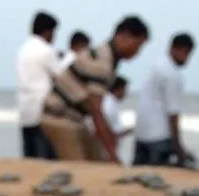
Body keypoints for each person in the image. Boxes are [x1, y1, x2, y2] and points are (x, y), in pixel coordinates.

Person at [39, 16, 149, 164]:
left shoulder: (106, 56)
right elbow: (96, 109)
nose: (137, 52)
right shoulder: (102, 64)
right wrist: (112, 153)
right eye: (138, 45)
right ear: (124, 36)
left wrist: (110, 141)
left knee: (98, 160)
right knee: (82, 168)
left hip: (74, 118)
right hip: (59, 118)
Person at [132, 32, 196, 168]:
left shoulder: (156, 67)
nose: (187, 60)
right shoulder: (172, 74)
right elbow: (173, 113)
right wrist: (178, 147)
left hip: (141, 134)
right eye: (187, 54)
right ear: (177, 50)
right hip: (159, 137)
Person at [15, 11, 60, 160]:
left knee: (30, 153)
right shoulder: (46, 50)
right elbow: (59, 76)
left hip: (25, 106)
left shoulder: (23, 50)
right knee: (45, 154)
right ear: (48, 31)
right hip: (43, 106)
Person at [86, 76, 131, 142]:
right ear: (119, 89)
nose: (126, 93)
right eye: (124, 89)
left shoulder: (111, 102)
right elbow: (103, 127)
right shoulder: (109, 105)